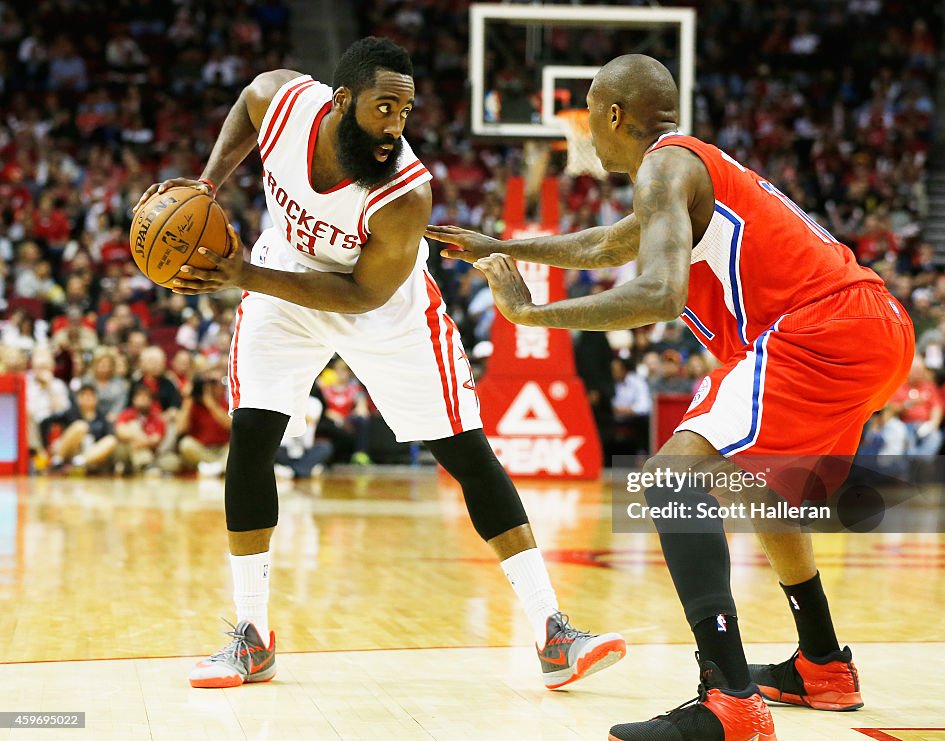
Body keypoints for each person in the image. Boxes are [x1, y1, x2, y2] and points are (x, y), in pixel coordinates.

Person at [428, 54, 915, 741]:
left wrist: (532, 316)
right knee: (760, 490)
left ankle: (729, 698)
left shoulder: (666, 165)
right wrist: (500, 244)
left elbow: (661, 293)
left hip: (818, 328)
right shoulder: (686, 171)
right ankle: (824, 664)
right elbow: (606, 243)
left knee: (669, 479)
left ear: (615, 115)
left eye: (587, 116)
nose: (585, 133)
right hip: (876, 327)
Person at [134, 37, 624, 691]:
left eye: (405, 111)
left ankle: (553, 631)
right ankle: (251, 637)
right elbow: (247, 110)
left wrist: (241, 274)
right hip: (284, 273)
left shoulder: (404, 192)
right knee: (250, 438)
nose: (396, 124)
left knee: (465, 451)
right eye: (384, 108)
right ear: (340, 102)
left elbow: (362, 293)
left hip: (381, 306)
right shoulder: (279, 102)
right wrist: (208, 181)